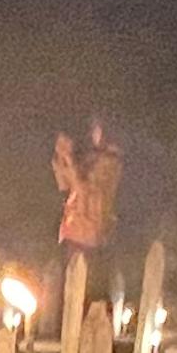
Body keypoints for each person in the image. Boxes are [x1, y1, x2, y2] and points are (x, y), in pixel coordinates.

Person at [54, 118, 123, 307]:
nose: (94, 134)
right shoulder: (90, 158)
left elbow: (86, 190)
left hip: (89, 232)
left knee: (89, 288)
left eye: (98, 129)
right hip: (73, 230)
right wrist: (61, 158)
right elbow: (65, 184)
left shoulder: (110, 161)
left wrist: (69, 160)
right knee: (68, 285)